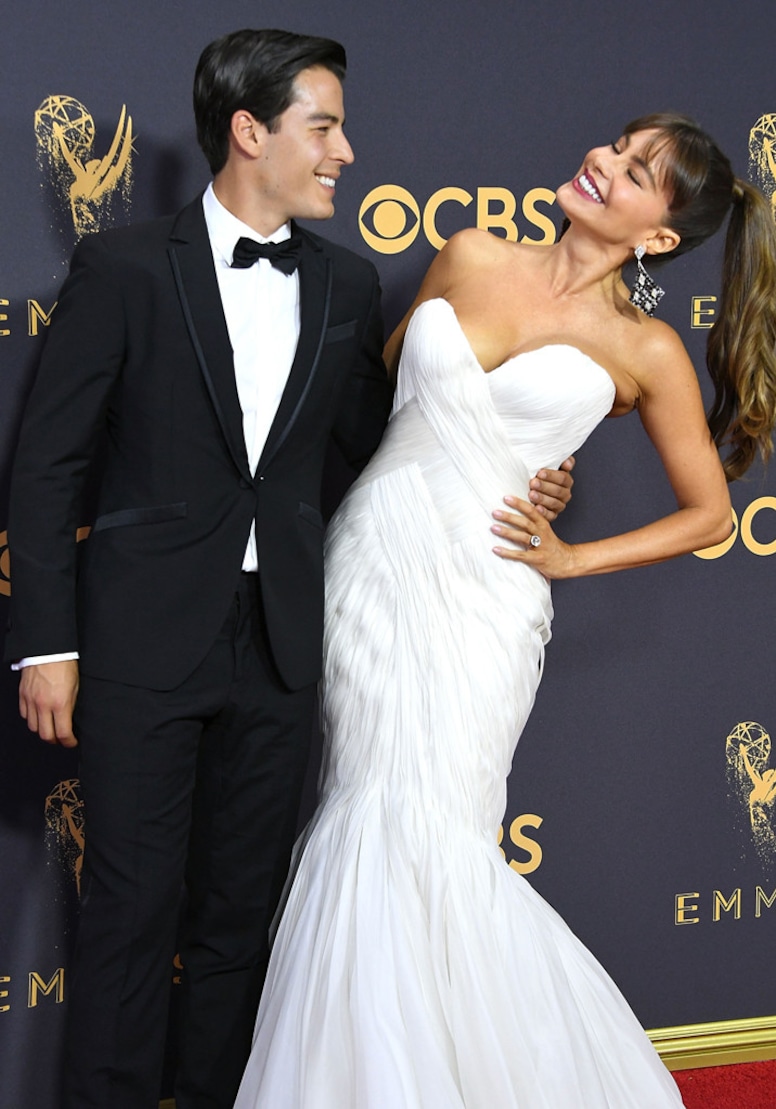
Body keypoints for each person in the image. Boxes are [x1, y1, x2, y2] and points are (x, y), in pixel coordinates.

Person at [5, 29, 573, 1109]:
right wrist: (48, 642)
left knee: (238, 917)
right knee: (129, 911)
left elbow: (382, 441)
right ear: (249, 129)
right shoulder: (123, 267)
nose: (345, 151)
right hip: (138, 641)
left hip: (284, 644)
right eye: (323, 126)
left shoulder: (349, 286)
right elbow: (46, 467)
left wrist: (515, 470)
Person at [233, 114, 776, 1108]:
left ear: (658, 236)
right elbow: (383, 394)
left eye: (637, 171)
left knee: (430, 826)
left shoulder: (643, 347)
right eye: (616, 144)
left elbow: (709, 514)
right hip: (373, 565)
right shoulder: (469, 251)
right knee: (366, 808)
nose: (603, 162)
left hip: (487, 594)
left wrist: (570, 556)